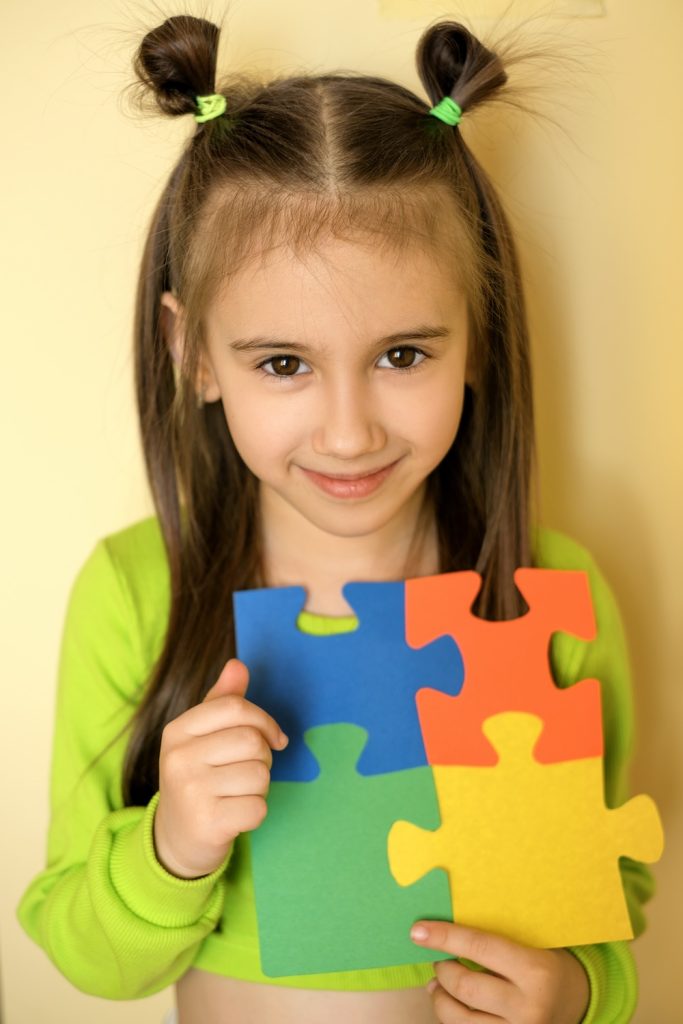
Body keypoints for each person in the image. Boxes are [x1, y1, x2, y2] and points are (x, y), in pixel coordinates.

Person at [17, 11, 655, 1024]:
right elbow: (87, 953)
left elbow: (601, 904)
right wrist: (172, 847)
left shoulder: (553, 593)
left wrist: (576, 994)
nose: (349, 432)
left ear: (478, 339)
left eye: (403, 355)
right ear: (192, 355)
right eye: (282, 363)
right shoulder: (137, 591)